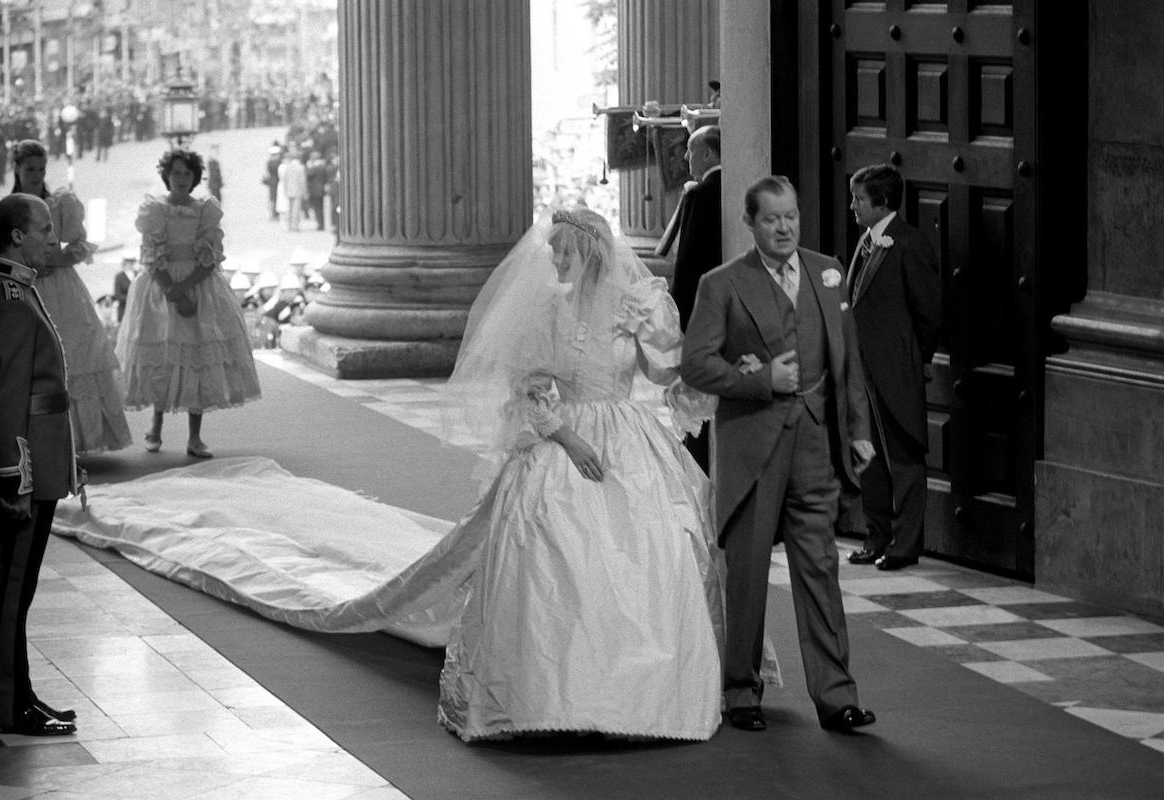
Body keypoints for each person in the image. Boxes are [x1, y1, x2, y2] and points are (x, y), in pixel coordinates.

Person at [56, 207, 767, 744]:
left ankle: (648, 692)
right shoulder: (546, 311)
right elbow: (533, 386)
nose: (551, 262)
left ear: (585, 252)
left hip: (627, 441)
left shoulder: (637, 307)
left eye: (559, 252)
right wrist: (568, 439)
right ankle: (552, 698)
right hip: (565, 440)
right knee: (554, 549)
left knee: (657, 551)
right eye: (550, 252)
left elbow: (669, 371)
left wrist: (714, 375)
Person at [680, 175, 877, 733]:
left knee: (821, 568)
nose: (785, 227)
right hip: (754, 451)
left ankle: (837, 697)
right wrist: (762, 379)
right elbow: (695, 364)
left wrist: (858, 430)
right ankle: (741, 692)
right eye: (772, 219)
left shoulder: (826, 270)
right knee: (746, 575)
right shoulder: (721, 284)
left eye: (791, 216)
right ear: (750, 223)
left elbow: (849, 360)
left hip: (815, 448)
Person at [0, 193, 82, 736]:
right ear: (17, 235)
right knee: (15, 588)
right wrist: (14, 479)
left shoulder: (17, 290)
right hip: (26, 467)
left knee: (23, 588)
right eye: (43, 228)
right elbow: (8, 396)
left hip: (39, 458)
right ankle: (13, 705)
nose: (51, 237)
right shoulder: (10, 297)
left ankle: (23, 694)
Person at [0, 140, 133, 455]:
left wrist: (51, 261)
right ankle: (20, 440)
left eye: (41, 169)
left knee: (70, 354)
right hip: (20, 289)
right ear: (17, 169)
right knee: (21, 359)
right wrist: (24, 266)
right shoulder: (3, 209)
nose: (36, 174)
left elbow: (78, 247)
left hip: (60, 290)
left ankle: (72, 441)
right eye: (29, 169)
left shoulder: (59, 205)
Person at [116, 148, 262, 458]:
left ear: (195, 177)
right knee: (164, 356)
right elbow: (150, 255)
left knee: (197, 358)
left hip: (198, 286)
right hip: (161, 287)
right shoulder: (155, 211)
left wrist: (186, 288)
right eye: (176, 172)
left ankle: (195, 437)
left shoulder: (205, 210)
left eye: (187, 173)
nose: (181, 178)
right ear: (166, 176)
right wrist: (171, 289)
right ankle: (155, 426)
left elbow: (211, 257)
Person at [844, 164, 942, 571]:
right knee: (869, 457)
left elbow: (929, 312)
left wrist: (915, 359)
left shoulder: (908, 243)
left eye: (859, 199)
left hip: (896, 369)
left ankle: (905, 545)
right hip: (861, 371)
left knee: (902, 457)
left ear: (881, 202)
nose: (852, 206)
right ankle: (877, 535)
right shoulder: (866, 242)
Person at [661, 124, 723, 473]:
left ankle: (698, 469)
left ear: (708, 154)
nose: (685, 157)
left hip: (700, 317)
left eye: (690, 150)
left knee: (698, 406)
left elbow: (687, 269)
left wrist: (677, 323)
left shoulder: (700, 195)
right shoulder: (737, 187)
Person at [280, 150, 308, 232]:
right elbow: (302, 181)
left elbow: (285, 180)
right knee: (296, 209)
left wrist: (285, 190)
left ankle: (289, 226)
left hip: (289, 190)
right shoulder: (300, 167)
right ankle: (295, 227)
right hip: (297, 190)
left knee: (290, 209)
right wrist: (305, 191)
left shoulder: (288, 167)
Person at [112, 249, 139, 323]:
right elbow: (117, 295)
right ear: (124, 263)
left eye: (131, 262)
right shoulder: (119, 277)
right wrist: (131, 299)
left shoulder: (138, 274)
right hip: (124, 309)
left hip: (138, 308)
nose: (129, 264)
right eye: (127, 262)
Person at [305, 152, 327, 230]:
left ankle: (320, 224)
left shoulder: (314, 168)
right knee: (320, 208)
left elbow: (308, 175)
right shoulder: (323, 166)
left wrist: (310, 167)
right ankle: (322, 223)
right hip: (320, 189)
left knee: (317, 208)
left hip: (314, 190)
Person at [263, 143, 282, 221]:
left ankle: (273, 214)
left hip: (272, 182)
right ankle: (274, 214)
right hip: (276, 181)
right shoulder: (277, 162)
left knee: (273, 198)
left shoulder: (269, 162)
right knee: (275, 198)